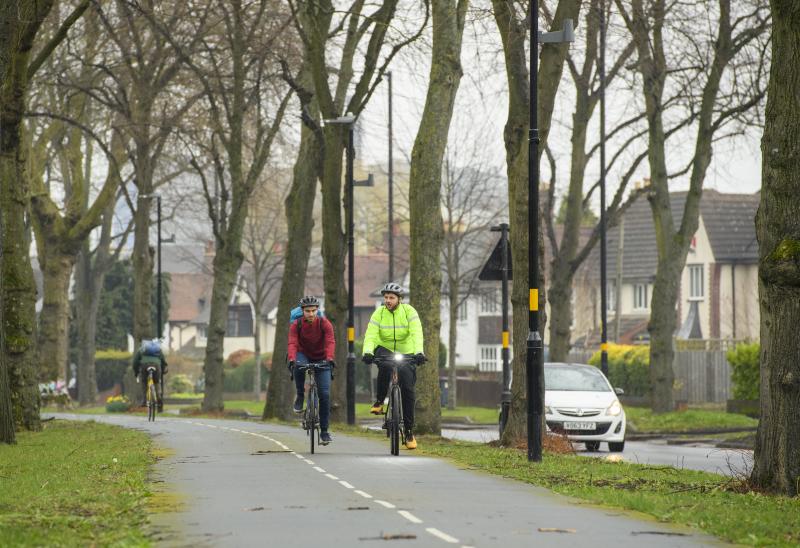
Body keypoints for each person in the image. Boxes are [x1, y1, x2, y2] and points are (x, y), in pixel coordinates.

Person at [361, 283, 426, 450]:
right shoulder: (379, 313)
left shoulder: (409, 312)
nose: (388, 300)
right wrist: (368, 352)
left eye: (391, 298)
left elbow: (416, 333)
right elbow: (371, 334)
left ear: (399, 299)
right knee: (384, 368)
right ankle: (379, 401)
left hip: (406, 352)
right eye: (386, 297)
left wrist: (419, 352)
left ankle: (409, 431)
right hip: (385, 349)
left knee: (408, 389)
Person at [288, 295, 336, 445]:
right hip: (303, 354)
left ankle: (324, 431)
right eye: (308, 311)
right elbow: (292, 342)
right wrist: (291, 358)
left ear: (317, 310)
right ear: (302, 311)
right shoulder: (296, 324)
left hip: (322, 356)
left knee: (325, 394)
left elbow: (330, 341)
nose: (311, 314)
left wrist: (329, 358)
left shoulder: (325, 323)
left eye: (313, 311)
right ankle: (301, 395)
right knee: (298, 366)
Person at [132, 339, 168, 411]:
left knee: (144, 382)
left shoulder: (141, 349)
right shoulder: (158, 350)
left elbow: (135, 363)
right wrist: (163, 371)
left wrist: (136, 373)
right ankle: (158, 397)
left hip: (144, 366)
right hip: (156, 366)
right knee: (157, 382)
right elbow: (163, 361)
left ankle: (145, 400)